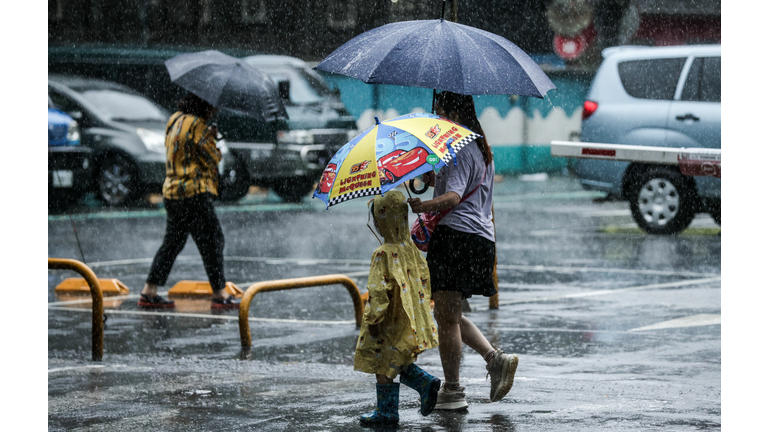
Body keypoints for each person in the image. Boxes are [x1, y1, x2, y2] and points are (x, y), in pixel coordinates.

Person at [407, 90, 519, 410]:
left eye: (440, 109)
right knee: (449, 314)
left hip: (456, 236)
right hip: (479, 239)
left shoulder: (458, 147)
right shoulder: (481, 147)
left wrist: (423, 205)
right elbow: (452, 184)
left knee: (446, 318)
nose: (438, 115)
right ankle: (495, 360)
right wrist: (429, 177)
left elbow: (454, 197)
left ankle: (453, 391)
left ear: (450, 110)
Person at [139, 92, 239, 310]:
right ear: (205, 105)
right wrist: (213, 138)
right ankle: (220, 293)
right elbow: (212, 157)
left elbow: (181, 149)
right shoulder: (199, 126)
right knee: (212, 240)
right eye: (213, 106)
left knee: (172, 242)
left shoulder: (175, 119)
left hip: (172, 192)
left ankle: (150, 290)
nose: (215, 110)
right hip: (194, 192)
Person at [355, 191, 442, 426]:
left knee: (382, 361)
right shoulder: (411, 249)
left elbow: (378, 291)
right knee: (396, 357)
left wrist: (374, 319)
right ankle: (423, 383)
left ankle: (388, 411)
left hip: (386, 318)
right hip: (406, 317)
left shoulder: (382, 253)